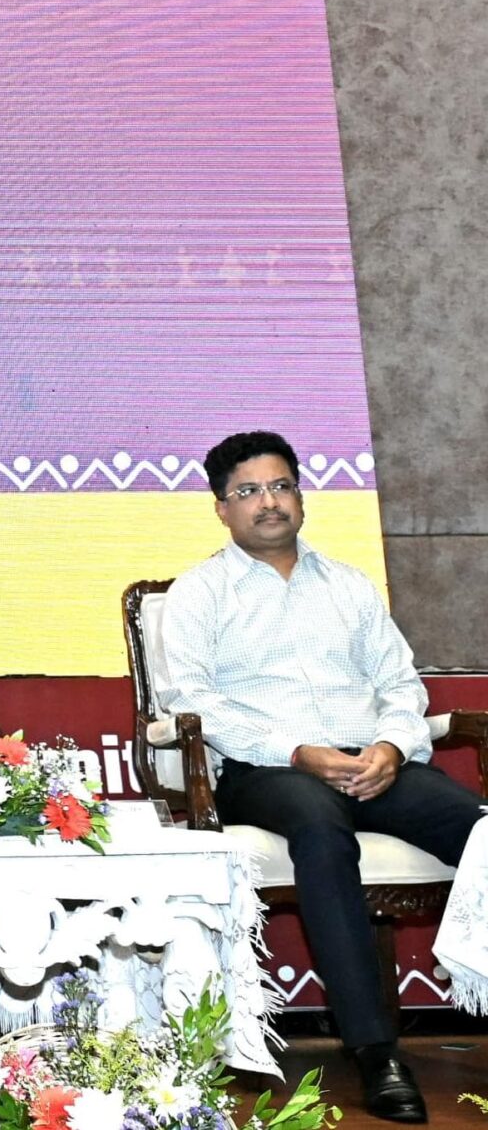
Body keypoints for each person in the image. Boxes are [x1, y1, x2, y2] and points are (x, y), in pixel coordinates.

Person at [158, 430, 471, 1123]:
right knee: (321, 828)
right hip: (266, 769)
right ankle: (376, 1051)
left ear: (300, 496)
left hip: (371, 759)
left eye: (280, 486)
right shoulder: (199, 593)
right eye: (248, 491)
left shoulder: (349, 585)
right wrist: (299, 751)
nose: (268, 502)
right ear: (221, 508)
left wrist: (392, 745)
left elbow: (399, 683)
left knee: (478, 828)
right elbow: (195, 703)